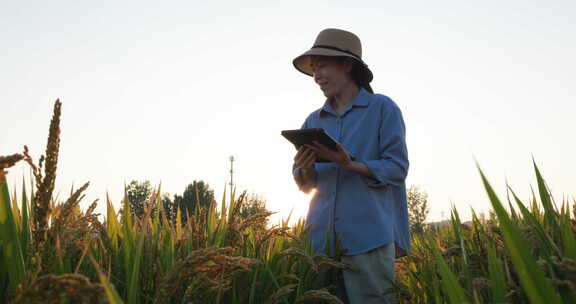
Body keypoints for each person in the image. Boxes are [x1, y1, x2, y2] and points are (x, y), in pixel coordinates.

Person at [291, 28, 410, 304]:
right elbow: (305, 184)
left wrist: (350, 164)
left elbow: (397, 168)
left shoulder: (383, 108)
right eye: (313, 69)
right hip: (320, 244)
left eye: (322, 66)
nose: (316, 76)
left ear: (347, 65)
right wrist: (305, 169)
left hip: (368, 240)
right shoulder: (313, 120)